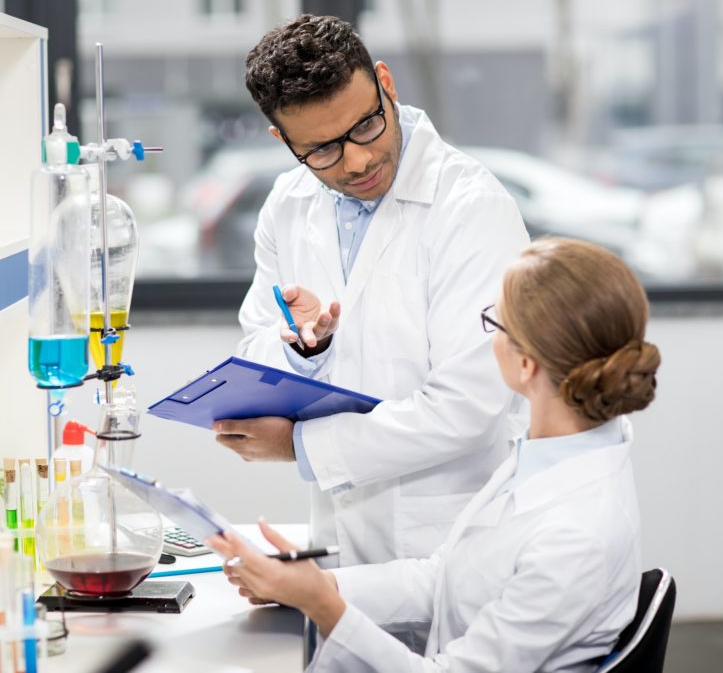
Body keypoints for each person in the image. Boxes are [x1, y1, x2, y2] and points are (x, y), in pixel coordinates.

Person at [208, 237, 662, 672]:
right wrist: (318, 585)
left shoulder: (575, 536)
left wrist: (322, 604)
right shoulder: (558, 451)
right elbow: (443, 576)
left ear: (526, 366)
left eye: (494, 322)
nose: (485, 335)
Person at [212, 13, 530, 568]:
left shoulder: (472, 208)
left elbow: (468, 405)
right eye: (322, 149)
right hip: (340, 536)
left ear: (386, 83)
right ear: (282, 140)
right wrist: (302, 347)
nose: (356, 160)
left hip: (453, 538)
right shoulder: (288, 205)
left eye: (365, 127)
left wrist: (298, 447)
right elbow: (256, 348)